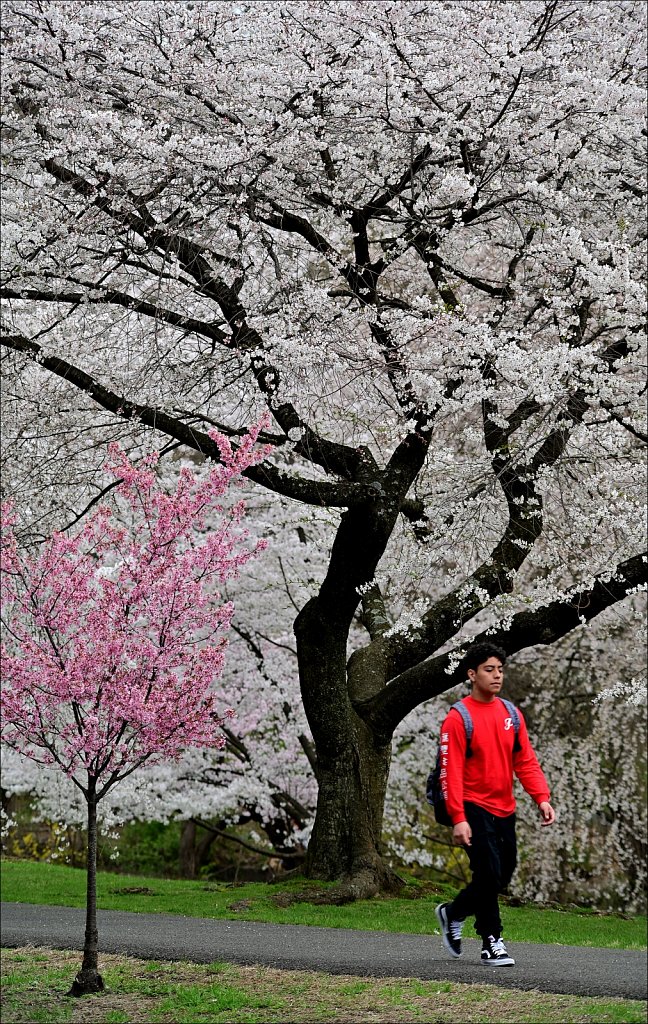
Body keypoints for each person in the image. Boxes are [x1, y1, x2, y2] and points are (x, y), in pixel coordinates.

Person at [435, 641, 555, 967]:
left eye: (500, 669)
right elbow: (450, 772)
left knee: (502, 874)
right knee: (487, 872)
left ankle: (453, 912)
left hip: (505, 806)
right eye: (489, 669)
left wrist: (541, 798)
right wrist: (459, 817)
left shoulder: (511, 714)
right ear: (472, 674)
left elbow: (525, 760)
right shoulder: (458, 719)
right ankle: (492, 940)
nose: (497, 675)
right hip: (472, 804)